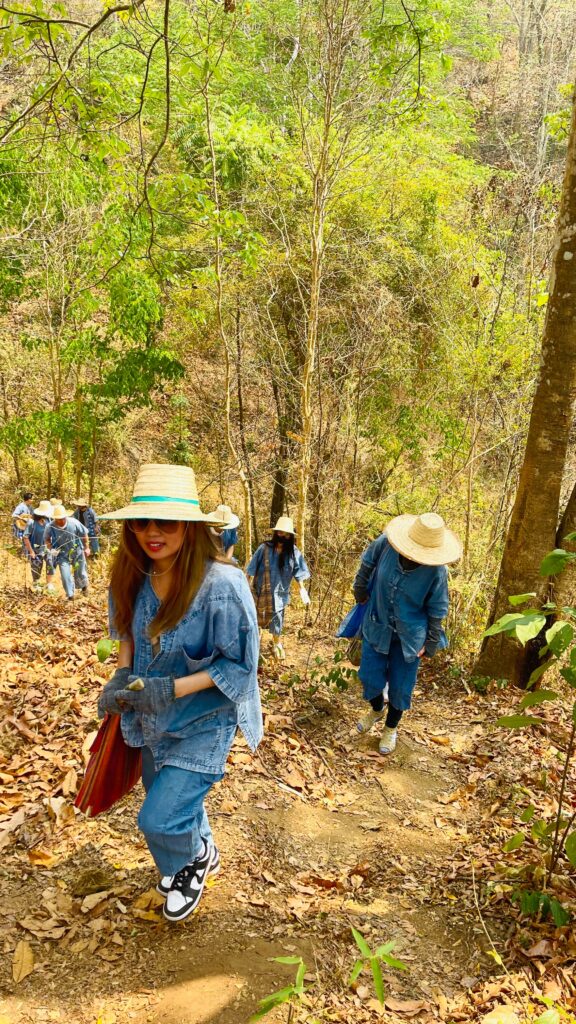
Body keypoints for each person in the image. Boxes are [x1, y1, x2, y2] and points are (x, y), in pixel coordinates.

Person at [96, 463, 262, 923]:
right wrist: (123, 677)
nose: (153, 533)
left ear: (189, 527)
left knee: (158, 818)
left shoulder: (223, 585)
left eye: (165, 522)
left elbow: (240, 667)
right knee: (170, 797)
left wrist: (170, 689)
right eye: (142, 522)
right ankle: (202, 849)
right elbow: (125, 631)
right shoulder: (131, 572)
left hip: (204, 721)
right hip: (150, 720)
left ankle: (190, 862)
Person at [352, 512, 461, 755]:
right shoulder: (386, 544)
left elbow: (438, 607)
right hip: (377, 624)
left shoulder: (436, 572)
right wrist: (359, 586)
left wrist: (432, 640)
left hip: (410, 637)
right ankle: (377, 709)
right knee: (369, 678)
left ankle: (391, 728)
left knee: (401, 688)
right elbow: (368, 561)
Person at [246, 516, 310, 660]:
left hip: (280, 594)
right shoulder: (264, 548)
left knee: (277, 619)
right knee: (256, 619)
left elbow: (299, 572)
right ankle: (254, 644)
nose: (283, 536)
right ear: (276, 533)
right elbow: (251, 569)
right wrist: (245, 586)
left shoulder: (294, 553)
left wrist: (302, 589)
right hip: (260, 591)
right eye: (280, 533)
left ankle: (276, 643)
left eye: (286, 534)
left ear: (290, 535)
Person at [44, 503, 91, 600]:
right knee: (65, 574)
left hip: (77, 550)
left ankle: (84, 588)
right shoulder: (50, 526)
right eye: (58, 519)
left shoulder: (74, 522)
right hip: (61, 553)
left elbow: (84, 534)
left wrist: (87, 547)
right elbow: (47, 539)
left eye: (62, 518)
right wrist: (51, 549)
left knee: (80, 571)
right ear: (55, 519)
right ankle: (70, 595)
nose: (61, 520)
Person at [23, 500, 53, 589]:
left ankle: (49, 584)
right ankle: (36, 584)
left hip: (47, 548)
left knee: (51, 564)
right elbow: (25, 537)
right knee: (36, 567)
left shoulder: (49, 520)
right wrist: (31, 551)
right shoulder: (32, 523)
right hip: (35, 549)